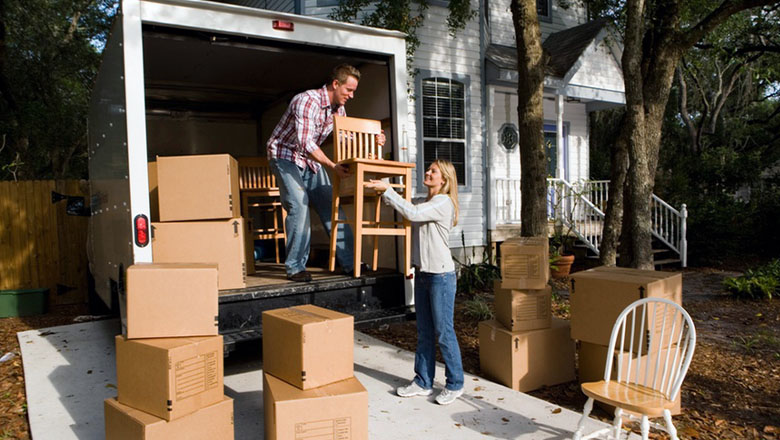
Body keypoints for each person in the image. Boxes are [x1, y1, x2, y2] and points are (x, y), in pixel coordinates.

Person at [267, 64, 384, 282]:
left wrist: (374, 140)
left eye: (354, 91)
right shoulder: (306, 100)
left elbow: (347, 137)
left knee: (333, 208)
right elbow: (304, 143)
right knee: (299, 205)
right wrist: (332, 165)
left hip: (309, 161)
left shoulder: (339, 109)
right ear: (336, 84)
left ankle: (351, 263)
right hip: (285, 156)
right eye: (349, 90)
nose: (351, 95)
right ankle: (295, 268)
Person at [365, 159, 464, 405]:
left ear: (444, 179)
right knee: (424, 332)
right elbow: (403, 203)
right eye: (428, 169)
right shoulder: (425, 201)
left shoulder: (443, 202)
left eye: (433, 171)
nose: (427, 172)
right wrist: (382, 179)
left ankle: (455, 384)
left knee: (444, 332)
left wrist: (388, 191)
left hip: (441, 276)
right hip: (423, 274)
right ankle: (423, 382)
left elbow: (412, 212)